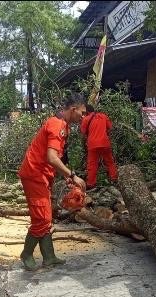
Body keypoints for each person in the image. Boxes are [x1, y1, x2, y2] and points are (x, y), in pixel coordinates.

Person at [18, 93, 87, 271]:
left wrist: (63, 175)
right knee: (42, 217)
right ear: (73, 109)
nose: (83, 116)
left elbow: (54, 157)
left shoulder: (61, 123)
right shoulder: (57, 125)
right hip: (35, 174)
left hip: (41, 174)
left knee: (45, 215)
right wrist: (72, 175)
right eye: (82, 112)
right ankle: (26, 254)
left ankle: (48, 256)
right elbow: (51, 157)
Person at [80, 105, 118, 190]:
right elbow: (110, 128)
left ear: (87, 112)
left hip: (92, 145)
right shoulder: (103, 116)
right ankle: (114, 179)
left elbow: (83, 133)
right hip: (105, 143)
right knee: (110, 161)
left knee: (92, 164)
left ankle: (91, 184)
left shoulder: (85, 119)